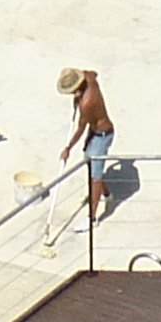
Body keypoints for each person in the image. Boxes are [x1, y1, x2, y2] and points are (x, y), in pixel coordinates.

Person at [57, 66, 115, 223]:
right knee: (91, 165)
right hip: (95, 133)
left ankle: (92, 218)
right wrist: (78, 97)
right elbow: (94, 73)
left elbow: (80, 128)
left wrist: (68, 148)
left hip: (102, 136)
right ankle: (108, 194)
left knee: (94, 178)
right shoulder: (89, 78)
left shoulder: (87, 104)